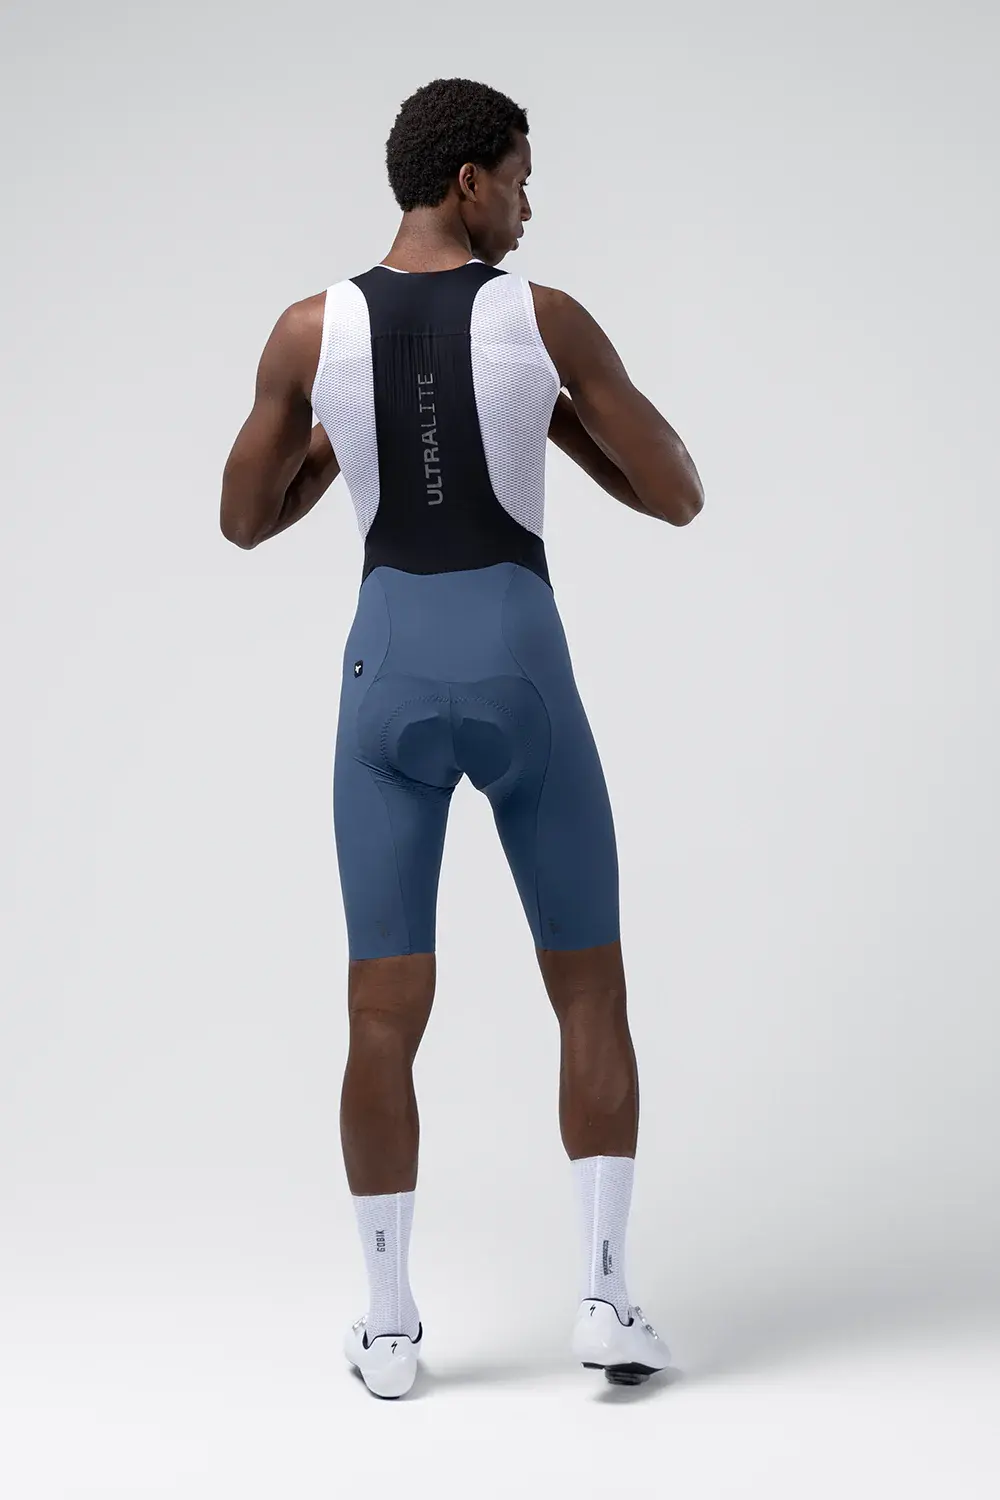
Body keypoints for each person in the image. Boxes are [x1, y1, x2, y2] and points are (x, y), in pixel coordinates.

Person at [220, 77, 704, 1399]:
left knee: (381, 1012)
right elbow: (677, 493)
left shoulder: (307, 329)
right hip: (519, 667)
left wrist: (342, 444)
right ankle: (603, 1300)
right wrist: (558, 416)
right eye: (524, 179)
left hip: (384, 671)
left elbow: (244, 519)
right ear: (470, 180)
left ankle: (388, 1329)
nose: (531, 207)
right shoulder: (543, 320)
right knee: (588, 988)